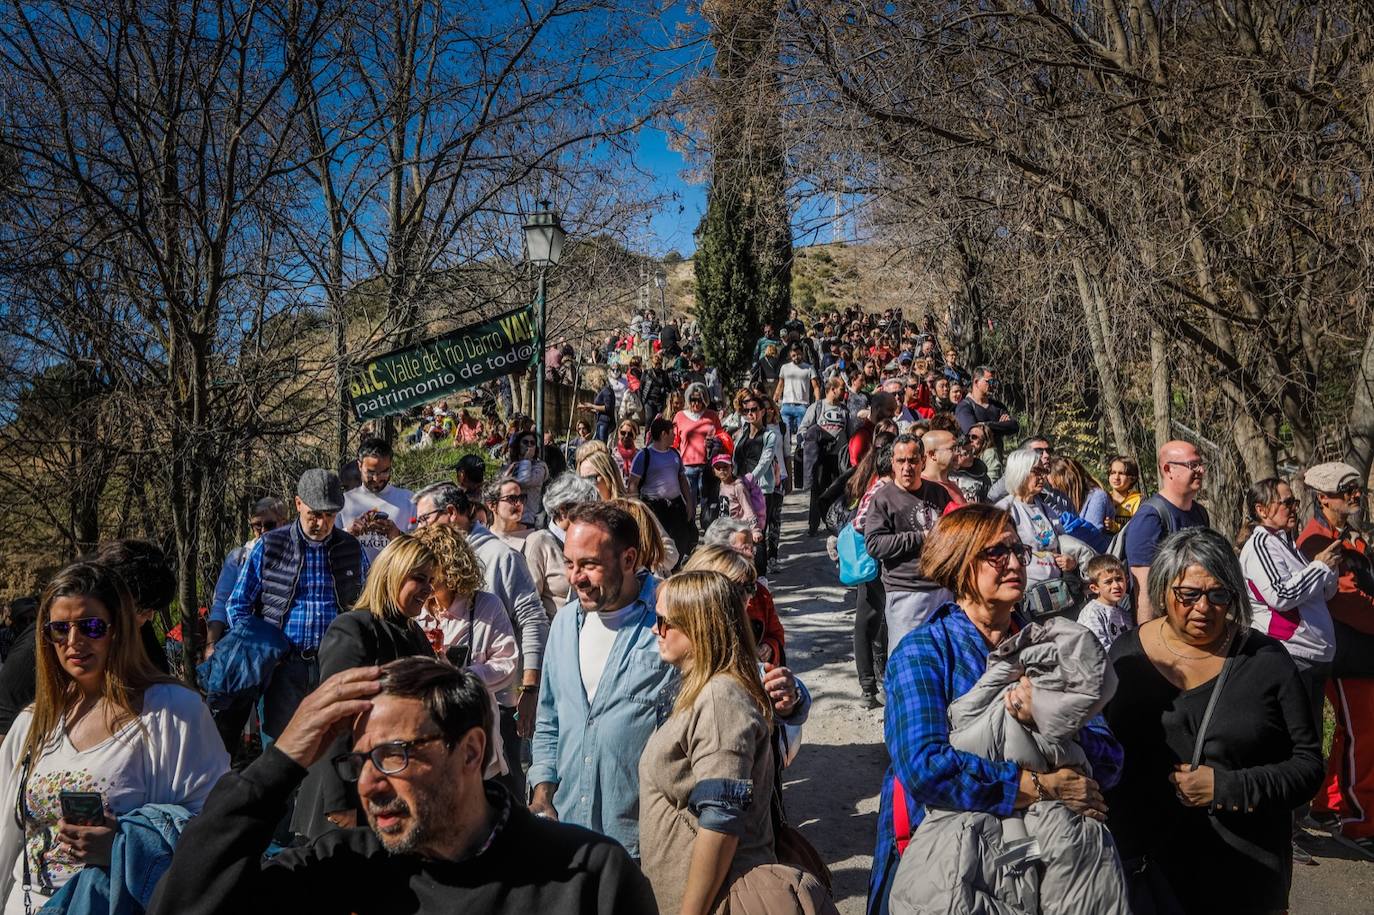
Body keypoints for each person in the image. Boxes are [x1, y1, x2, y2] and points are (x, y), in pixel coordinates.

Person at [148, 657, 656, 915]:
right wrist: (280, 761)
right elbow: (185, 906)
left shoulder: (589, 877)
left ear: (471, 752)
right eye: (359, 759)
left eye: (393, 755)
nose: (368, 782)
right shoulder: (344, 868)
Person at [870, 504, 1123, 913]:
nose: (1013, 563)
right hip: (949, 864)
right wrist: (1041, 786)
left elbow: (1110, 758)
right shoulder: (925, 652)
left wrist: (1042, 718)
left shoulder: (1051, 645)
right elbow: (925, 767)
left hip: (1050, 861)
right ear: (959, 564)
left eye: (1016, 551)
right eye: (995, 553)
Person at [529, 503, 808, 860]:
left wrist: (793, 697)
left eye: (589, 565)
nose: (574, 577)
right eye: (569, 563)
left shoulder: (672, 615)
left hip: (646, 849)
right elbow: (549, 722)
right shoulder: (564, 625)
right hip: (570, 839)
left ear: (629, 560)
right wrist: (542, 796)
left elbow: (738, 677)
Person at [1105, 527, 1324, 913]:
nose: (1203, 608)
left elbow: (1307, 767)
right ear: (1161, 591)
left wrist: (1227, 786)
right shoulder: (1125, 657)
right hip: (1144, 873)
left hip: (1243, 876)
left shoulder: (1266, 661)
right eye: (1188, 594)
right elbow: (1103, 754)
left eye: (1218, 594)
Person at [0, 561, 229, 911]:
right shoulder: (33, 723)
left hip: (112, 903)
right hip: (27, 903)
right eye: (59, 629)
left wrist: (123, 846)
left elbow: (216, 822)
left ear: (118, 629)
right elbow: (5, 836)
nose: (74, 641)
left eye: (91, 627)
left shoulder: (173, 712)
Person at [639, 570, 828, 914]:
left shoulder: (719, 698)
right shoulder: (700, 689)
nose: (656, 630)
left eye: (664, 621)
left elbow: (721, 824)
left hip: (719, 902)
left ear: (699, 626)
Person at [293, 534, 438, 838]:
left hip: (390, 790)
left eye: (431, 580)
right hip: (346, 796)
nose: (428, 589)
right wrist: (340, 799)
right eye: (419, 578)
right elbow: (335, 715)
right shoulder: (354, 628)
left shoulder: (415, 635)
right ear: (393, 573)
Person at [411, 482, 546, 789]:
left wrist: (530, 688)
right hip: (431, 725)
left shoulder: (501, 559)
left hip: (491, 710)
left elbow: (531, 622)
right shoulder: (419, 604)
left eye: (425, 519)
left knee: (500, 793)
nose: (428, 586)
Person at [226, 468, 369, 741]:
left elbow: (367, 604)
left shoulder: (351, 548)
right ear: (298, 504)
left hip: (333, 664)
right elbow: (237, 605)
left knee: (331, 750)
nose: (322, 523)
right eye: (314, 514)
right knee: (280, 750)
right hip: (283, 667)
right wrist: (263, 652)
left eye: (329, 515)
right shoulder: (269, 546)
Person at [1296, 461, 1374, 852]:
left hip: (1360, 651)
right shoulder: (1316, 541)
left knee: (1351, 732)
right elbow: (1346, 601)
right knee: (1365, 735)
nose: (1356, 496)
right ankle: (1361, 823)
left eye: (1357, 489)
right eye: (1347, 492)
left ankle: (1329, 803)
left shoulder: (1347, 537)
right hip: (1346, 654)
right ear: (1324, 498)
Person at [862, 433, 954, 649]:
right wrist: (920, 538)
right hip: (906, 592)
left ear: (923, 461)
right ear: (892, 464)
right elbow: (874, 545)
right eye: (901, 461)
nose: (907, 467)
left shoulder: (939, 493)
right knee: (908, 657)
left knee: (944, 655)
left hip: (943, 590)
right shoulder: (883, 498)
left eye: (912, 460)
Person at [1125, 440, 1211, 623]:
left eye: (1201, 464)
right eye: (1192, 465)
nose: (1200, 471)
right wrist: (1148, 639)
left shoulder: (1200, 513)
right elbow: (1144, 588)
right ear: (1168, 470)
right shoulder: (1149, 518)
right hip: (1166, 626)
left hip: (1197, 619)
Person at [207, 497, 285, 654]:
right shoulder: (238, 557)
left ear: (283, 522)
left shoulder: (293, 555)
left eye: (269, 525)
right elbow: (221, 602)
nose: (262, 531)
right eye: (257, 525)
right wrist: (210, 645)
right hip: (246, 640)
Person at [683, 544, 785, 666]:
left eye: (750, 587)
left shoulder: (761, 595)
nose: (748, 596)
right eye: (736, 588)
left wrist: (770, 647)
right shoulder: (680, 639)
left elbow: (777, 635)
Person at [998, 448, 1082, 594]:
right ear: (1020, 471)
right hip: (1025, 592)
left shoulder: (1047, 509)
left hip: (1057, 590)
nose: (1042, 477)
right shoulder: (1005, 510)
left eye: (1043, 472)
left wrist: (1069, 561)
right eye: (1036, 471)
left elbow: (1060, 546)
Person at [90, 539, 175, 675]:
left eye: (152, 610)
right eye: (142, 609)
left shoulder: (144, 638)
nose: (150, 617)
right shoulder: (83, 641)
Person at [522, 473, 601, 618]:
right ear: (563, 509)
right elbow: (528, 607)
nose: (591, 515)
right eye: (585, 508)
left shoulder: (589, 542)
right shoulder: (539, 542)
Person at [628, 416, 697, 560]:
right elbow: (633, 484)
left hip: (676, 507)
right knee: (659, 545)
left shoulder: (674, 454)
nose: (675, 436)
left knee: (681, 542)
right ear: (664, 434)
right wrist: (635, 511)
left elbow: (682, 479)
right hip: (654, 508)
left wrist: (689, 503)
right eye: (672, 432)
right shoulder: (643, 456)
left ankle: (677, 569)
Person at [338, 438, 413, 562]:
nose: (377, 478)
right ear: (359, 465)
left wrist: (397, 535)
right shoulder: (343, 502)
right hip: (355, 579)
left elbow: (421, 547)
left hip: (395, 578)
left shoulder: (408, 500)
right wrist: (348, 532)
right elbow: (326, 544)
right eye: (371, 472)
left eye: (384, 472)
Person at [798, 376, 852, 537]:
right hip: (820, 456)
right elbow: (804, 428)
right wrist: (805, 444)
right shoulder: (817, 407)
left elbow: (850, 434)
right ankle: (813, 525)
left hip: (838, 457)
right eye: (842, 388)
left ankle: (836, 522)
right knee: (818, 490)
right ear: (833, 389)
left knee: (838, 490)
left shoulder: (844, 410)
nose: (844, 392)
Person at [732, 395, 780, 576]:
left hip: (760, 488)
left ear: (762, 412)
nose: (750, 413)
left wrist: (750, 479)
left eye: (754, 410)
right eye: (746, 410)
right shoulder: (741, 433)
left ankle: (760, 576)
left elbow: (765, 461)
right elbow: (735, 458)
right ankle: (743, 571)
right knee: (740, 530)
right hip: (740, 488)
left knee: (758, 533)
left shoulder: (770, 435)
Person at [672, 383, 724, 527]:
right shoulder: (679, 416)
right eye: (693, 399)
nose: (696, 403)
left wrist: (714, 442)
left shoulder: (712, 416)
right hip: (687, 467)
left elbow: (721, 437)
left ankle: (707, 532)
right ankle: (691, 536)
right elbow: (674, 442)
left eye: (700, 399)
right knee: (689, 504)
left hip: (707, 466)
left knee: (708, 503)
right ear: (688, 399)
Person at [1048, 455, 1111, 551]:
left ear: (1066, 481)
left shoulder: (1097, 496)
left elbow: (1091, 535)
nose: (1054, 491)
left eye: (1056, 486)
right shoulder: (1065, 502)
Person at [953, 366, 1019, 455]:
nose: (993, 385)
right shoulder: (964, 407)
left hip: (997, 458)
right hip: (976, 460)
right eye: (989, 381)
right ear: (976, 382)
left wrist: (984, 425)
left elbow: (1013, 426)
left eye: (994, 382)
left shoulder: (997, 406)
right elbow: (973, 432)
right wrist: (999, 426)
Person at [1077, 554, 1133, 651]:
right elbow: (1098, 648)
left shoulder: (1125, 614)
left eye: (1119, 579)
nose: (1116, 585)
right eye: (1108, 582)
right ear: (1095, 588)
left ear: (1126, 580)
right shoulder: (1092, 613)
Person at [711, 453, 764, 541]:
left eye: (725, 467)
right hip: (724, 529)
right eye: (718, 468)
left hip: (737, 529)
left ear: (731, 467)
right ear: (714, 471)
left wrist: (755, 530)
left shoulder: (738, 487)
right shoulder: (719, 485)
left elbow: (748, 508)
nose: (722, 470)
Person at [502, 431, 548, 527]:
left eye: (532, 443)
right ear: (518, 445)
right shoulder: (511, 465)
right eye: (525, 442)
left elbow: (523, 481)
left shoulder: (540, 467)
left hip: (527, 519)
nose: (529, 445)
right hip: (508, 517)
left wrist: (526, 460)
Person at [919, 429, 965, 507]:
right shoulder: (920, 486)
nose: (958, 453)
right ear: (932, 454)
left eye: (958, 448)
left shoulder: (954, 488)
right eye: (953, 448)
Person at [484, 475, 532, 550]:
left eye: (521, 498)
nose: (519, 503)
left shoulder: (533, 535)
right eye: (512, 498)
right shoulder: (483, 537)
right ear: (492, 505)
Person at [1104, 454, 1142, 534]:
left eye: (1121, 473)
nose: (1116, 477)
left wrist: (1115, 527)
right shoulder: (1103, 498)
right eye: (1113, 472)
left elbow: (1139, 529)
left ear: (1132, 478)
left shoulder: (1139, 501)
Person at [579, 368, 616, 442]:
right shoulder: (601, 391)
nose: (591, 383)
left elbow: (608, 408)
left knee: (601, 444)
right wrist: (588, 409)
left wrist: (592, 406)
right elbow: (600, 410)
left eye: (592, 380)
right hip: (601, 421)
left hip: (605, 422)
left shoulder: (606, 390)